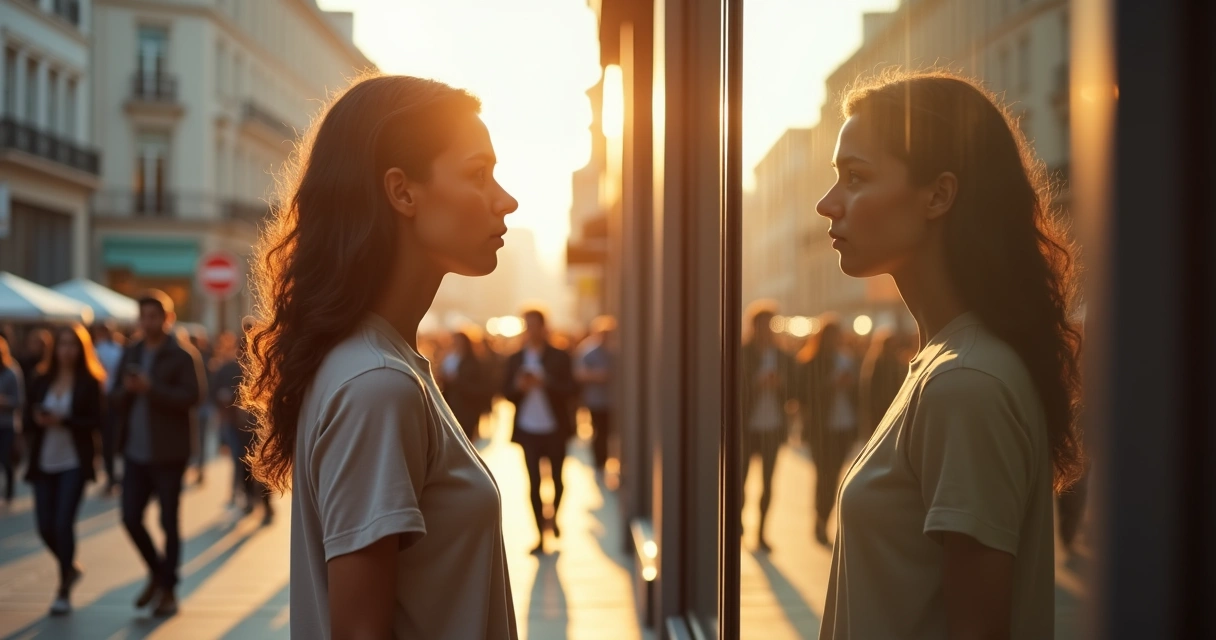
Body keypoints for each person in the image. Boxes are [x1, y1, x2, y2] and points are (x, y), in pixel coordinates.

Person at [238, 74, 520, 639]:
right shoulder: (376, 382)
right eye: (477, 173)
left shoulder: (385, 364)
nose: (505, 199)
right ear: (402, 192)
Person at [814, 70, 1084, 639]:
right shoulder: (947, 364)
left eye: (855, 177)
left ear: (938, 194)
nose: (827, 203)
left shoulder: (966, 381)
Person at [112, 290, 205, 617]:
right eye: (143, 316)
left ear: (167, 318)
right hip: (135, 451)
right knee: (130, 517)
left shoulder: (181, 354)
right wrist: (128, 390)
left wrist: (152, 389)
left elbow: (192, 397)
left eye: (154, 316)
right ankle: (158, 572)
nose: (148, 322)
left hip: (169, 452)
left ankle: (168, 590)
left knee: (169, 521)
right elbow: (114, 394)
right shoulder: (132, 351)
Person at [24, 324, 105, 616]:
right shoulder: (41, 378)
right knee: (45, 527)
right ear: (54, 349)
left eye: (72, 344)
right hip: (44, 461)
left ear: (81, 348)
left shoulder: (89, 381)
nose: (67, 350)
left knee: (62, 523)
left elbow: (95, 422)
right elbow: (27, 419)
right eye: (62, 344)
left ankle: (62, 590)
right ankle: (69, 567)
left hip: (74, 462)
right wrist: (37, 419)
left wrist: (64, 420)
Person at [502, 308, 577, 556]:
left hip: (555, 428)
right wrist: (519, 387)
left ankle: (553, 516)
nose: (530, 330)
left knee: (557, 479)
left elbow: (572, 389)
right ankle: (539, 536)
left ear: (544, 327)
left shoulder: (559, 356)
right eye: (527, 325)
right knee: (533, 482)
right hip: (527, 429)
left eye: (534, 325)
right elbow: (504, 392)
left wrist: (546, 382)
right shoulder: (515, 358)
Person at [738, 302, 796, 553]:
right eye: (761, 325)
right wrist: (755, 384)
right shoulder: (743, 352)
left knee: (768, 482)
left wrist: (779, 384)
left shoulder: (782, 356)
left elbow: (795, 390)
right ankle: (737, 526)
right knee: (739, 482)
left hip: (773, 425)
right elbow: (734, 388)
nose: (765, 330)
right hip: (747, 427)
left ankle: (761, 533)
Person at [797, 317, 859, 546]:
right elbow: (804, 396)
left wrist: (849, 385)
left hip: (844, 426)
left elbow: (858, 393)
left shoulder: (847, 359)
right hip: (822, 430)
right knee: (823, 476)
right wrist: (831, 386)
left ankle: (825, 519)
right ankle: (820, 519)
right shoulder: (812, 362)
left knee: (834, 477)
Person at [213, 335, 273, 523]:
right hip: (238, 426)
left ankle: (263, 503)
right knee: (247, 464)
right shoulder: (229, 368)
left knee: (259, 465)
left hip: (261, 428)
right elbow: (216, 396)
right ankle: (252, 500)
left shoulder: (268, 367)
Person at [574, 315, 616, 474]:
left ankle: (608, 459)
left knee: (609, 432)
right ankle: (599, 462)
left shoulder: (615, 350)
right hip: (596, 400)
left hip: (613, 400)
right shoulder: (588, 351)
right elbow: (579, 374)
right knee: (599, 431)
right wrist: (598, 376)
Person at [91, 323, 125, 491]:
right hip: (117, 399)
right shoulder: (120, 350)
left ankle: (111, 475)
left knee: (106, 441)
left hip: (102, 399)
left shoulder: (96, 350)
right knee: (116, 439)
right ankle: (116, 475)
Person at [438, 330, 489, 441]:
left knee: (466, 438)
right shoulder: (449, 358)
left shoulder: (474, 362)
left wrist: (457, 381)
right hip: (449, 404)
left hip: (467, 407)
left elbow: (481, 387)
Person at [0, 335, 23, 503]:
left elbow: (19, 401)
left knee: (5, 457)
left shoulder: (12, 372)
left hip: (7, 423)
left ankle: (9, 491)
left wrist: (4, 401)